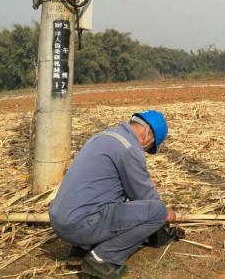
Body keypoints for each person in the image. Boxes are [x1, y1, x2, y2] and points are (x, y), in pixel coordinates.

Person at [49, 110, 176, 279]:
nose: (144, 150)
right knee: (157, 211)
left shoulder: (102, 137)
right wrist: (165, 214)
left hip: (60, 220)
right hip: (81, 224)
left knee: (114, 197)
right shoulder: (129, 148)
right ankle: (101, 258)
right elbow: (144, 197)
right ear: (146, 133)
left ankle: (82, 247)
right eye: (149, 147)